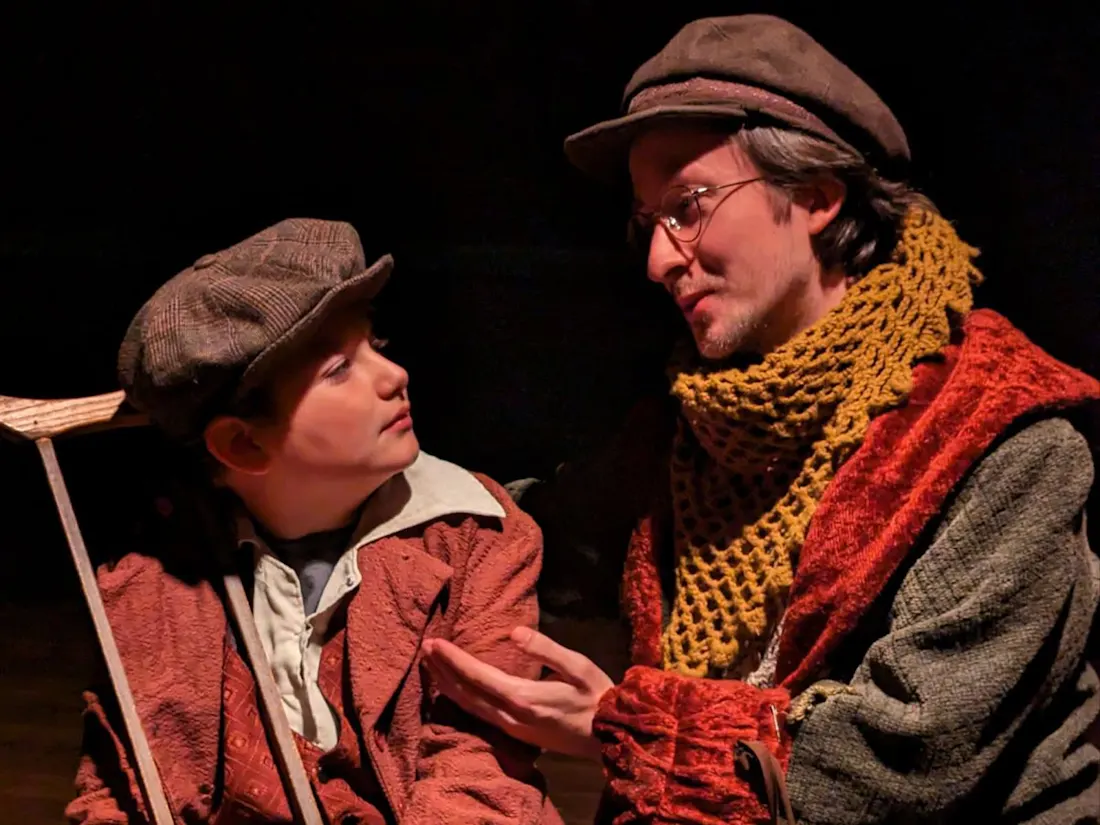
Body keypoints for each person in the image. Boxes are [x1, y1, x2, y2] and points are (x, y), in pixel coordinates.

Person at [421, 14, 1100, 824]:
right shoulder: (691, 431)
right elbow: (531, 533)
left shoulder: (998, 433)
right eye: (647, 221)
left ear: (816, 197)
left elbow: (901, 760)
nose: (658, 259)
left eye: (688, 205)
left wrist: (629, 734)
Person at [66, 218, 562, 825]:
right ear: (244, 445)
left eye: (375, 345)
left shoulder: (476, 536)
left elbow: (480, 770)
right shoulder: (154, 581)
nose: (395, 376)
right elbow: (119, 788)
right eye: (339, 369)